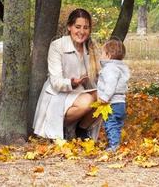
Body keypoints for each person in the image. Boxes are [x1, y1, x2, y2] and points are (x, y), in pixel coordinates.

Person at [33, 8, 101, 140]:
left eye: (86, 28)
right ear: (69, 27)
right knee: (87, 101)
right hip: (58, 95)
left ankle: (81, 130)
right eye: (77, 27)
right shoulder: (57, 46)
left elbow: (95, 79)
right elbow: (56, 82)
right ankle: (61, 128)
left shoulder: (90, 48)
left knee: (104, 96)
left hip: (78, 93)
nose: (81, 32)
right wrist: (71, 83)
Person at [97, 39, 130, 152]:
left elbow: (111, 84)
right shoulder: (120, 68)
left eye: (102, 53)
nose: (100, 56)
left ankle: (114, 146)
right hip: (121, 102)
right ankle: (116, 142)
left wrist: (104, 97)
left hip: (112, 102)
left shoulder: (110, 69)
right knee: (117, 124)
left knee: (110, 123)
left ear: (108, 55)